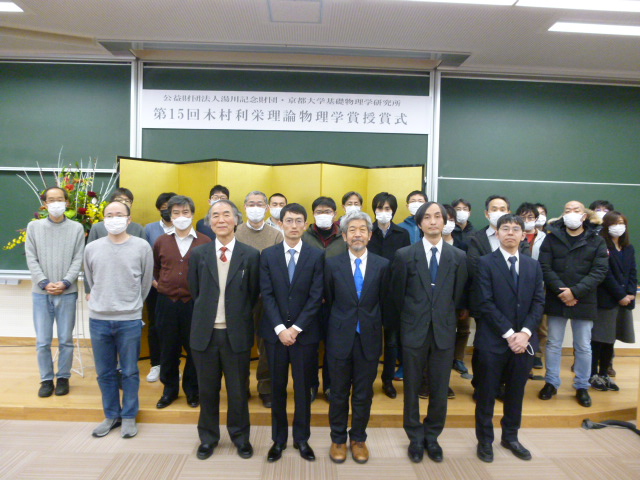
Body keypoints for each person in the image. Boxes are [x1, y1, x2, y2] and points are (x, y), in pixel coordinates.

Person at [390, 202, 467, 464]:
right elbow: (397, 296)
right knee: (411, 387)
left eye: (437, 217)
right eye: (427, 217)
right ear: (419, 222)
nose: (433, 221)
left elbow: (459, 297)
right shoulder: (404, 255)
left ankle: (432, 436)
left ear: (445, 221)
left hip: (444, 331)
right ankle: (414, 437)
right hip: (413, 330)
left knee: (439, 387)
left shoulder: (458, 256)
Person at [188, 199, 260, 460]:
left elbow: (253, 295)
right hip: (205, 335)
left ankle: (240, 437)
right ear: (209, 222)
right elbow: (195, 291)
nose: (221, 219)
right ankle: (208, 438)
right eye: (215, 215)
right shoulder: (199, 254)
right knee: (207, 390)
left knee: (238, 391)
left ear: (236, 220)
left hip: (236, 334)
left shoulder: (250, 255)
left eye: (226, 214)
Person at [474, 214, 544, 463]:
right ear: (497, 233)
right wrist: (509, 334)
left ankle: (511, 437)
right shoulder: (484, 263)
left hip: (523, 343)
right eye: (505, 229)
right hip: (493, 341)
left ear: (523, 235)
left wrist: (524, 333)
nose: (510, 233)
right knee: (486, 394)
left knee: (516, 393)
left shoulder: (533, 266)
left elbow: (538, 302)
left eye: (516, 229)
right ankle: (484, 441)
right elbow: (485, 302)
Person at [260, 203, 324, 463]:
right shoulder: (268, 255)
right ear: (280, 223)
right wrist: (280, 329)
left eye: (299, 221)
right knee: (277, 388)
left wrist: (295, 329)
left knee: (303, 389)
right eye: (289, 220)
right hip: (275, 335)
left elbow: (316, 296)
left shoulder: (316, 255)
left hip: (304, 335)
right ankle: (278, 440)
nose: (294, 225)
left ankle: (302, 438)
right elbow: (267, 294)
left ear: (305, 225)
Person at [84, 201, 153, 438]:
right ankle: (111, 415)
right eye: (109, 215)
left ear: (129, 219)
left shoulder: (142, 246)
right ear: (103, 220)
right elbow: (92, 281)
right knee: (104, 372)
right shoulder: (92, 248)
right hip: (99, 319)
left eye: (119, 215)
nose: (114, 219)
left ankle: (129, 415)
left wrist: (131, 305)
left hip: (129, 319)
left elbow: (145, 283)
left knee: (130, 371)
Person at [324, 211, 390, 464]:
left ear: (370, 235)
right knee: (338, 393)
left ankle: (359, 438)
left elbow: (386, 302)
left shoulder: (383, 265)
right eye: (352, 230)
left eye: (362, 229)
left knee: (363, 394)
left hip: (369, 339)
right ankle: (338, 438)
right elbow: (328, 301)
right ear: (344, 236)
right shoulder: (332, 264)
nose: (357, 234)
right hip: (339, 338)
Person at [538, 201, 608, 408]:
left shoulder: (597, 240)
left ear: (584, 216)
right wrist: (563, 292)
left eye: (576, 210)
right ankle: (551, 383)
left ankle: (582, 386)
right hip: (557, 297)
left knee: (583, 346)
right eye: (567, 210)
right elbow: (544, 267)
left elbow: (599, 271)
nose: (571, 213)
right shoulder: (552, 238)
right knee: (553, 343)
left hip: (584, 299)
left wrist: (575, 292)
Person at [467, 195, 530, 395]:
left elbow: (524, 267)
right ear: (487, 213)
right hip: (485, 302)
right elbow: (474, 268)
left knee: (509, 346)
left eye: (503, 208)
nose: (498, 212)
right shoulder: (476, 238)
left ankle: (502, 384)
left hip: (515, 304)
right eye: (494, 208)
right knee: (485, 348)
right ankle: (480, 385)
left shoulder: (520, 238)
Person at [25, 186, 85, 398]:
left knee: (66, 339)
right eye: (51, 200)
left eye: (60, 199)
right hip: (41, 293)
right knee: (42, 341)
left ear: (67, 202)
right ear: (45, 204)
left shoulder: (76, 228)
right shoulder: (34, 227)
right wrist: (43, 282)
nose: (56, 203)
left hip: (67, 292)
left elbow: (78, 258)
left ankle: (63, 377)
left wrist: (66, 282)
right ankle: (46, 379)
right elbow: (31, 257)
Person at [153, 195, 211, 410]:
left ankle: (192, 390)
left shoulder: (205, 241)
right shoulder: (161, 241)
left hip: (194, 304)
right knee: (168, 349)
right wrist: (159, 284)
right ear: (170, 215)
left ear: (192, 214)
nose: (181, 216)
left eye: (185, 212)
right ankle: (169, 390)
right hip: (166, 303)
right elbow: (155, 268)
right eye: (176, 213)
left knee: (195, 349)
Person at [235, 191, 284, 408]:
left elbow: (280, 268)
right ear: (245, 207)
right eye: (251, 204)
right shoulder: (235, 232)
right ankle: (241, 387)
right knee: (240, 344)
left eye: (260, 204)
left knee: (267, 345)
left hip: (267, 300)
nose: (256, 208)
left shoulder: (276, 235)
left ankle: (266, 387)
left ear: (266, 208)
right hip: (240, 299)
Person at [302, 196, 347, 401]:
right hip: (309, 303)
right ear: (313, 214)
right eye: (319, 212)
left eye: (327, 212)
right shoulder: (305, 236)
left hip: (336, 302)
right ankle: (311, 385)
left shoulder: (343, 237)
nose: (323, 215)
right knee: (310, 347)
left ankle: (330, 385)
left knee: (333, 346)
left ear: (335, 214)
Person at [367, 192, 410, 399]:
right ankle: (367, 380)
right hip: (370, 293)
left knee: (392, 342)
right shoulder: (368, 231)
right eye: (379, 208)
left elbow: (404, 265)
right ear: (374, 210)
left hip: (393, 294)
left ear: (393, 211)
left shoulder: (402, 234)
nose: (383, 212)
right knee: (370, 341)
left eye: (387, 209)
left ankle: (387, 380)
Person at [591, 211, 636, 392]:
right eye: (615, 223)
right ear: (607, 225)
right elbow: (605, 274)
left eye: (622, 222)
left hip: (623, 300)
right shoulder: (601, 245)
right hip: (606, 300)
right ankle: (592, 374)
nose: (619, 226)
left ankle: (604, 374)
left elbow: (632, 272)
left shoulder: (628, 248)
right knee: (598, 339)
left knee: (610, 340)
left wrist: (631, 293)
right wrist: (620, 295)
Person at [143, 191, 177, 383]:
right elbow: (146, 258)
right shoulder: (150, 229)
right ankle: (156, 364)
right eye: (163, 209)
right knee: (156, 326)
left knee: (176, 327)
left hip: (179, 288)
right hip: (155, 287)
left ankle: (173, 366)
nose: (167, 212)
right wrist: (154, 281)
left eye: (170, 208)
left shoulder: (184, 227)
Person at [516, 202, 547, 370]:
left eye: (530, 217)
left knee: (541, 324)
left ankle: (537, 355)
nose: (527, 220)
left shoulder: (545, 237)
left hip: (540, 284)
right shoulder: (514, 235)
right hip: (518, 284)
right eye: (523, 217)